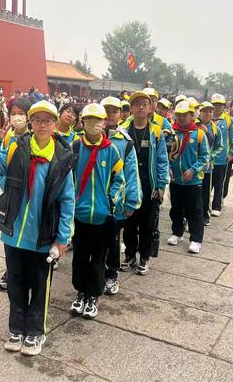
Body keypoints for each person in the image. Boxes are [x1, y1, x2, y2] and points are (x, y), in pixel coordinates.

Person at [0, 100, 75, 356]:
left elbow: (67, 199)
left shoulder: (63, 156)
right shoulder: (15, 148)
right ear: (31, 123)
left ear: (55, 124)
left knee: (40, 285)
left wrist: (63, 237)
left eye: (47, 120)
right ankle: (16, 328)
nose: (42, 125)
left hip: (43, 234)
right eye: (37, 120)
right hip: (15, 233)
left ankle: (35, 332)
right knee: (16, 283)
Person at [70, 103, 125, 318]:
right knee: (80, 258)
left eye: (97, 120)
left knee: (99, 258)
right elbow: (67, 178)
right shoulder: (75, 148)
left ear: (104, 124)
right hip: (79, 215)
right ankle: (80, 293)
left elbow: (120, 179)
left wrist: (111, 201)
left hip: (102, 216)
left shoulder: (111, 150)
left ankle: (93, 295)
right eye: (89, 120)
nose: (93, 124)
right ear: (82, 122)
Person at [119, 91, 168, 275]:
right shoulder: (123, 130)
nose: (141, 107)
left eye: (144, 104)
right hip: (129, 186)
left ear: (150, 108)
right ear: (131, 108)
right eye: (137, 103)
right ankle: (129, 255)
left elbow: (162, 160)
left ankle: (144, 257)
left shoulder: (156, 132)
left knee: (148, 224)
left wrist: (161, 186)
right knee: (129, 223)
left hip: (149, 185)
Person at [101, 96, 142, 294]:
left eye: (114, 111)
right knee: (94, 242)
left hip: (115, 204)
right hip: (92, 202)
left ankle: (111, 275)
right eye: (106, 110)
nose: (109, 114)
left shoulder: (125, 143)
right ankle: (96, 273)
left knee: (113, 241)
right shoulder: (87, 138)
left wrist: (131, 201)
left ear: (120, 114)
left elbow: (132, 174)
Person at [0, 96, 32, 292]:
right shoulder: (9, 137)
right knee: (11, 231)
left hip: (29, 193)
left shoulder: (37, 135)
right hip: (11, 194)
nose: (17, 117)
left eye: (21, 114)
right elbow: (2, 165)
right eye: (13, 114)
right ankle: (11, 271)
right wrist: (5, 183)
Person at [167, 101, 210, 253]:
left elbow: (205, 157)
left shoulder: (199, 134)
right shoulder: (171, 133)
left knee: (195, 210)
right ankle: (177, 232)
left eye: (185, 115)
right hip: (175, 179)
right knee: (176, 208)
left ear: (192, 116)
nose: (181, 118)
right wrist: (168, 169)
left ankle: (196, 239)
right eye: (178, 115)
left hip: (193, 180)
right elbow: (165, 154)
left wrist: (192, 170)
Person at [210, 93, 233, 217]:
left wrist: (232, 153)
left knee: (219, 183)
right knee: (207, 184)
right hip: (207, 158)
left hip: (222, 158)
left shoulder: (228, 120)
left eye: (220, 105)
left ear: (224, 106)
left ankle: (217, 206)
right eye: (215, 105)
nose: (217, 107)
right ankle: (206, 205)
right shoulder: (207, 118)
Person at [196, 102, 223, 226]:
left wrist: (210, 156)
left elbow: (219, 147)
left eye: (210, 111)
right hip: (193, 166)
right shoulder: (194, 125)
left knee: (206, 192)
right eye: (205, 111)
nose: (208, 114)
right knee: (193, 193)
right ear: (199, 113)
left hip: (207, 167)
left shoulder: (215, 129)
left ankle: (204, 215)